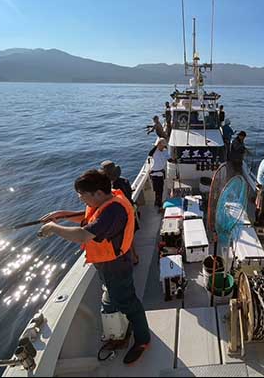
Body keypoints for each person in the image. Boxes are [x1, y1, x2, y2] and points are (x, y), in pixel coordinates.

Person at [38, 169, 151, 364]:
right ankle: (127, 326)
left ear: (98, 193)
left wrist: (52, 228)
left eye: (83, 196)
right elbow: (89, 218)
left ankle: (143, 340)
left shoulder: (113, 211)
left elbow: (83, 234)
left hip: (115, 266)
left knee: (129, 303)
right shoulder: (107, 200)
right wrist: (63, 215)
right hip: (106, 265)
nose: (82, 199)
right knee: (117, 297)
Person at [100, 160, 140, 266]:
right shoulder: (125, 181)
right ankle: (134, 256)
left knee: (125, 236)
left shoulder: (111, 188)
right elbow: (128, 196)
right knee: (130, 235)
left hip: (122, 215)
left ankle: (133, 257)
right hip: (131, 210)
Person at [148, 138, 170, 212]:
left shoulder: (165, 151)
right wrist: (156, 145)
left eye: (163, 145)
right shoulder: (155, 151)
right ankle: (158, 203)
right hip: (154, 174)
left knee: (160, 189)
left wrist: (176, 160)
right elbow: (150, 154)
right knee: (156, 190)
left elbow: (169, 159)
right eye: (160, 145)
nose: (162, 147)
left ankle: (158, 203)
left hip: (160, 174)